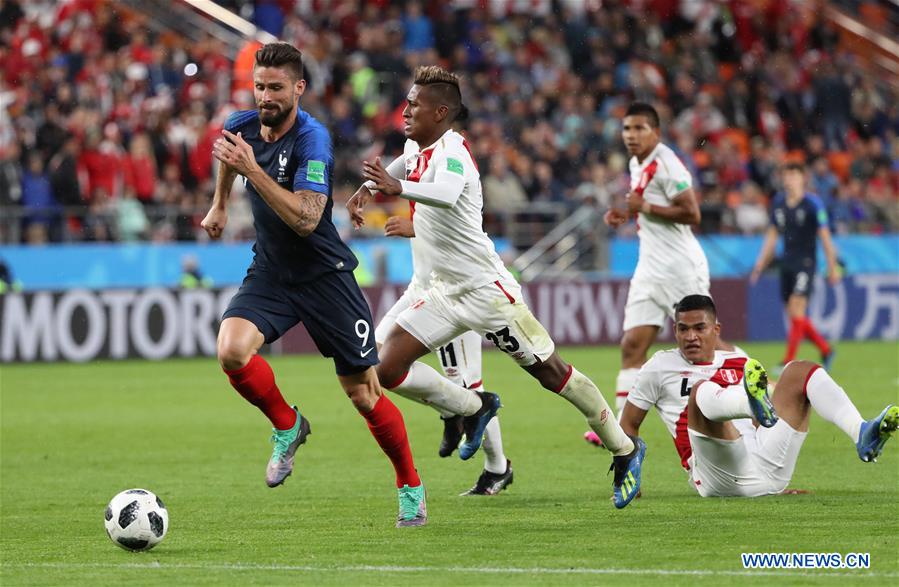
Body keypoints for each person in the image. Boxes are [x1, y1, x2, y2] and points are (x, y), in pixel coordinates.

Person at [348, 65, 645, 508]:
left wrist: (397, 187)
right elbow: (404, 163)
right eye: (406, 102)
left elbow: (447, 193)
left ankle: (624, 448)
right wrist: (368, 188)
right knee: (385, 369)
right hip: (443, 293)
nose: (405, 111)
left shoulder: (454, 151)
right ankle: (473, 407)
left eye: (414, 105)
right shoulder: (415, 147)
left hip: (486, 293)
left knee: (553, 374)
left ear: (441, 112)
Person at [200, 42, 426, 528]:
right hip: (273, 271)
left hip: (324, 275)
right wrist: (219, 203)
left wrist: (253, 171)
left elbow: (306, 219)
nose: (266, 96)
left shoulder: (312, 140)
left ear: (299, 88)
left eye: (276, 88)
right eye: (259, 87)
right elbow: (228, 154)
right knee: (232, 351)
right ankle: (288, 424)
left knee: (364, 394)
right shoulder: (241, 125)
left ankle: (410, 485)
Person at [620, 294, 897, 497]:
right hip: (715, 475)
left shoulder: (739, 360)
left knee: (799, 371)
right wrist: (626, 477)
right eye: (683, 329)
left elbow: (776, 402)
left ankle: (861, 432)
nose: (690, 336)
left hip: (767, 470)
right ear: (675, 331)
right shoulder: (660, 366)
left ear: (716, 330)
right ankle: (748, 404)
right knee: (701, 391)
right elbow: (629, 423)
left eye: (699, 328)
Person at [587, 102, 726, 445]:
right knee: (632, 346)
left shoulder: (667, 163)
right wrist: (628, 214)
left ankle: (756, 384)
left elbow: (692, 213)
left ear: (656, 133)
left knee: (711, 345)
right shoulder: (638, 162)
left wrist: (646, 207)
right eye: (627, 129)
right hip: (650, 268)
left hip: (680, 269)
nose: (631, 135)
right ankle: (620, 433)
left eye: (639, 129)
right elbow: (646, 207)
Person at [376, 214, 513, 496]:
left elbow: (460, 220)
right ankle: (450, 411)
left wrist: (417, 228)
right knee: (372, 363)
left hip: (453, 293)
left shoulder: (452, 182)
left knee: (469, 385)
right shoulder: (415, 181)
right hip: (419, 288)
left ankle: (497, 467)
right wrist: (366, 192)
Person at [750, 162, 840, 372]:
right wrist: (759, 264)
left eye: (793, 175)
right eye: (786, 175)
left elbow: (825, 237)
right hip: (787, 264)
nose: (789, 179)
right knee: (795, 315)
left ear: (802, 178)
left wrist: (832, 266)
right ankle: (826, 349)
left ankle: (788, 361)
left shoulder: (812, 204)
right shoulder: (779, 203)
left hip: (806, 263)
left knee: (797, 306)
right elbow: (772, 236)